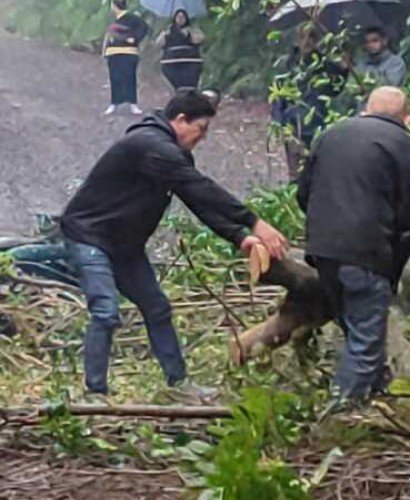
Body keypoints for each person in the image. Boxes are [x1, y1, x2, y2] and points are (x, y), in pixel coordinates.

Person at [61, 90, 288, 397]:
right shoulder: (151, 146)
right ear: (181, 120)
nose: (201, 138)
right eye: (201, 129)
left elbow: (198, 201)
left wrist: (240, 236)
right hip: (90, 236)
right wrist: (254, 221)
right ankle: (95, 395)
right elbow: (201, 187)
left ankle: (180, 385)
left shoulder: (172, 155)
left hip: (124, 247)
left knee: (157, 308)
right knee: (106, 311)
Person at [297, 87, 410, 403]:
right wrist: (392, 274)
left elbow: (303, 194)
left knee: (359, 332)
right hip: (367, 253)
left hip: (323, 251)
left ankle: (379, 396)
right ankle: (339, 418)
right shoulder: (407, 146)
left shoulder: (330, 134)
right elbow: (404, 218)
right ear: (407, 118)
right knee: (365, 343)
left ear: (366, 109)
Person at [271, 26, 348, 181]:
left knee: (322, 171)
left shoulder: (326, 65)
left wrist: (344, 71)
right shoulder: (287, 65)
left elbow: (337, 90)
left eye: (311, 37)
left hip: (320, 125)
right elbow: (277, 98)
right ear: (296, 40)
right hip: (294, 127)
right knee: (297, 175)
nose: (307, 42)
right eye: (302, 37)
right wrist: (279, 124)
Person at [103, 0, 149, 116]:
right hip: (113, 52)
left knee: (130, 77)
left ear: (114, 5)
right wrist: (104, 51)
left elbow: (144, 28)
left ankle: (133, 103)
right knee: (115, 77)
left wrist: (134, 38)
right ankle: (114, 102)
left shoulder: (132, 18)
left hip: (128, 52)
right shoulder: (112, 19)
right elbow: (108, 36)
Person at [156, 9, 205, 93]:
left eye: (183, 17)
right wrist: (164, 34)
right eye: (178, 17)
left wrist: (188, 34)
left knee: (190, 85)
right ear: (175, 18)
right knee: (176, 86)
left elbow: (200, 39)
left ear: (186, 18)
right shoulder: (168, 30)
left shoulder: (192, 28)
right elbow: (159, 44)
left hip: (190, 61)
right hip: (171, 62)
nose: (180, 19)